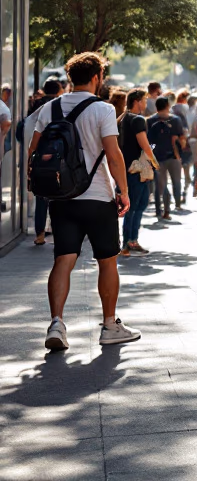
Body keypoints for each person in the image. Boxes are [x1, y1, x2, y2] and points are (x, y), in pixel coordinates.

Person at [33, 52, 140, 351]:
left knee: (63, 260)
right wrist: (124, 191)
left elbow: (34, 150)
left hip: (62, 197)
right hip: (97, 198)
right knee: (107, 261)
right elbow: (113, 154)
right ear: (96, 77)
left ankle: (56, 323)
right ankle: (109, 325)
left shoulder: (50, 107)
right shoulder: (103, 109)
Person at [117, 89, 157, 256]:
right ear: (137, 101)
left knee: (134, 206)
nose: (146, 104)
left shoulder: (121, 118)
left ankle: (130, 241)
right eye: (144, 100)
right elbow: (144, 145)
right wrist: (154, 162)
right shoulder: (138, 119)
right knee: (136, 207)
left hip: (123, 168)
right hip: (137, 169)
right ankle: (128, 242)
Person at [28, 78, 63, 246]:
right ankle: (58, 233)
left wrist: (29, 162)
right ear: (58, 91)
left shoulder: (36, 105)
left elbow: (29, 134)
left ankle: (40, 234)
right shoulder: (60, 106)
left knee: (41, 198)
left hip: (39, 157)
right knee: (58, 197)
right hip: (57, 158)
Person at [149, 96, 187, 217]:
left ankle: (159, 209)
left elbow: (148, 140)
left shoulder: (150, 120)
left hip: (156, 157)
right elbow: (182, 138)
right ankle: (177, 204)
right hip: (173, 156)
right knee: (176, 181)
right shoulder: (175, 120)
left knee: (160, 185)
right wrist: (182, 148)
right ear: (167, 106)